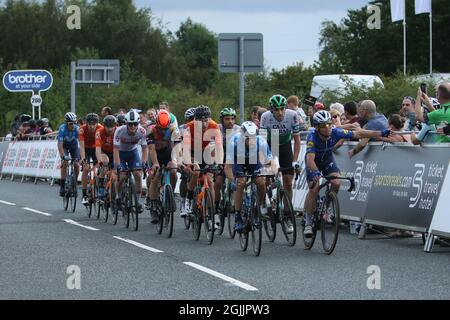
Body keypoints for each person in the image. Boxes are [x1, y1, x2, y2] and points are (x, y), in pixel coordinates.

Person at [303, 110, 391, 237]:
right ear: (317, 127)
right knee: (314, 189)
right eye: (323, 125)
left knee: (337, 182)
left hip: (327, 160)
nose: (327, 127)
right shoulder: (312, 137)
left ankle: (327, 208)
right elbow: (310, 160)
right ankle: (308, 222)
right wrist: (316, 172)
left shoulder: (336, 132)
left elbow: (358, 133)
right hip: (314, 162)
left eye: (329, 123)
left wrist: (380, 133)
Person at [260, 94, 301, 233]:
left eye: (282, 108)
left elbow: (297, 141)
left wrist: (295, 161)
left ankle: (288, 215)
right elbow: (262, 142)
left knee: (288, 182)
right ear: (271, 110)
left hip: (285, 146)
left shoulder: (293, 115)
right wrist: (267, 162)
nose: (280, 112)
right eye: (276, 109)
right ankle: (267, 201)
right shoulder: (265, 117)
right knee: (267, 176)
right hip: (271, 145)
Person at [224, 121, 275, 233]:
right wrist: (232, 180)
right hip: (238, 162)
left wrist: (273, 172)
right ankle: (237, 217)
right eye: (248, 138)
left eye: (253, 137)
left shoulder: (260, 141)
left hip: (253, 161)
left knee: (261, 182)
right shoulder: (234, 142)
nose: (252, 140)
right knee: (240, 183)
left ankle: (258, 208)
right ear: (243, 137)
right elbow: (227, 167)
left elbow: (270, 161)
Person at [181, 105, 223, 229]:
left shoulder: (214, 126)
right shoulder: (189, 127)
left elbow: (219, 148)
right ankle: (189, 199)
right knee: (195, 172)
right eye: (201, 120)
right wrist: (189, 163)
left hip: (206, 152)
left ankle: (212, 213)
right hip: (192, 152)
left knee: (210, 181)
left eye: (206, 120)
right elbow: (186, 149)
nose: (204, 123)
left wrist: (219, 163)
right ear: (195, 120)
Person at [146, 110, 180, 223]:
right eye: (161, 128)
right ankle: (154, 206)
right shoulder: (151, 130)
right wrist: (155, 163)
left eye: (165, 128)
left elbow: (176, 148)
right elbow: (151, 149)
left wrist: (175, 161)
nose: (163, 131)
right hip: (155, 155)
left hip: (168, 153)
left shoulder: (174, 130)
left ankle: (171, 195)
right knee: (155, 177)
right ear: (156, 124)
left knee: (174, 171)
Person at [113, 110, 148, 213]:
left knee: (137, 174)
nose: (133, 126)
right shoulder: (119, 131)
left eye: (135, 124)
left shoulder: (142, 131)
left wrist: (144, 162)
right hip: (120, 153)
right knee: (122, 176)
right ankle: (118, 197)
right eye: (130, 124)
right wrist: (118, 165)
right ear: (126, 123)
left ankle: (137, 201)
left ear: (138, 123)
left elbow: (145, 148)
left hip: (133, 153)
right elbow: (115, 149)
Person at [215, 107, 240, 226]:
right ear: (222, 120)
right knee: (218, 182)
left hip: (233, 158)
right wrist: (218, 162)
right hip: (220, 156)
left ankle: (235, 205)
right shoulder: (217, 129)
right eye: (227, 119)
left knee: (237, 181)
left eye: (232, 119)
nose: (230, 121)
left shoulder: (239, 129)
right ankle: (215, 208)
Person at [79, 113, 103, 205]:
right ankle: (84, 194)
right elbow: (81, 146)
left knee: (102, 166)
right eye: (90, 124)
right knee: (86, 168)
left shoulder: (100, 128)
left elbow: (102, 145)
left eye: (94, 124)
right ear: (86, 123)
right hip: (85, 149)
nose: (92, 126)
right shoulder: (82, 129)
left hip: (96, 148)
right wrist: (83, 158)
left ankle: (100, 188)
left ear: (97, 123)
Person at [178, 107, 196, 217]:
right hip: (185, 151)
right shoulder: (181, 129)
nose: (193, 122)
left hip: (198, 153)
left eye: (195, 119)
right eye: (190, 119)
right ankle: (184, 201)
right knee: (185, 176)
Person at [57, 112, 80, 197]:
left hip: (74, 146)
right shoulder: (62, 129)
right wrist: (63, 156)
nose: (72, 125)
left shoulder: (77, 129)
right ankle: (62, 185)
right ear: (66, 123)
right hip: (64, 146)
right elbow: (60, 144)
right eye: (70, 123)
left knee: (77, 164)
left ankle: (74, 183)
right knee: (65, 163)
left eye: (74, 123)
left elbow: (81, 143)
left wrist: (81, 156)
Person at [95, 115, 117, 199]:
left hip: (115, 152)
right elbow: (97, 149)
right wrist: (100, 161)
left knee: (115, 172)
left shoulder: (118, 131)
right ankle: (100, 187)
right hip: (103, 152)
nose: (110, 129)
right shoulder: (99, 132)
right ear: (104, 126)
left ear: (115, 125)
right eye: (108, 127)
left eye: (112, 126)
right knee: (105, 163)